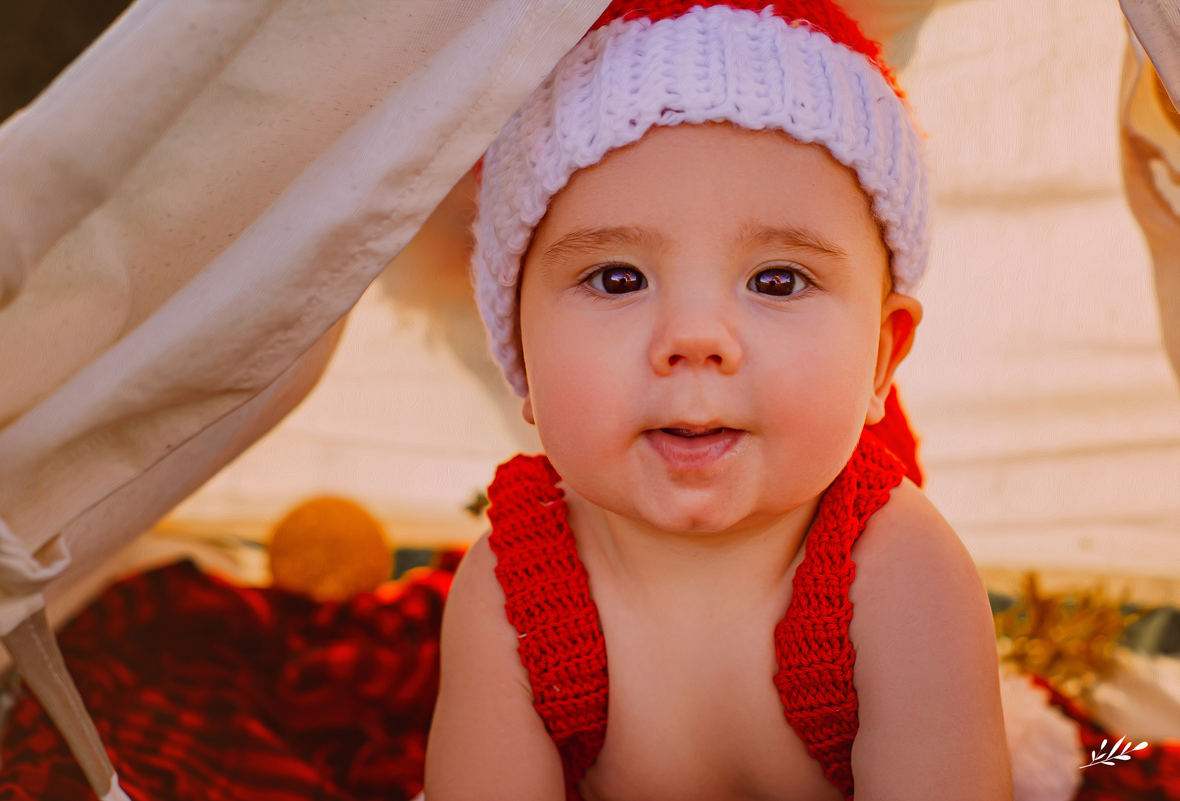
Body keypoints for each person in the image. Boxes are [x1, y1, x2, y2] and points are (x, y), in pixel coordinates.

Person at [425, 1, 1013, 799]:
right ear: (520, 352)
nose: (695, 338)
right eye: (617, 278)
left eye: (777, 280)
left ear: (881, 357)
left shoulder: (898, 571)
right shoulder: (518, 584)